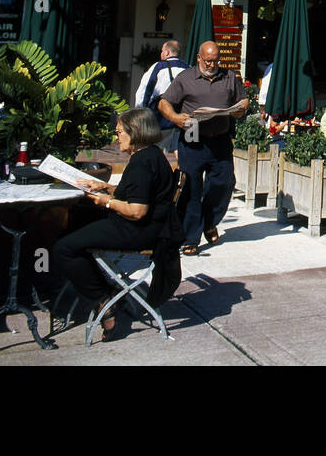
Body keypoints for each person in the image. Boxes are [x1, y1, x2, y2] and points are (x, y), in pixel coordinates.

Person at [54, 108, 177, 340]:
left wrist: (107, 202)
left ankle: (103, 300)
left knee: (63, 248)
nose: (116, 136)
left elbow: (137, 210)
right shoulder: (152, 155)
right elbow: (138, 193)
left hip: (137, 230)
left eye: (120, 131)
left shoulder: (141, 162)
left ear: (136, 132)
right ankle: (100, 288)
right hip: (152, 228)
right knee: (76, 220)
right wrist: (105, 188)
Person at [159, 40, 248, 255]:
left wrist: (240, 110)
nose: (211, 65)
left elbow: (243, 101)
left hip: (220, 137)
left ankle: (209, 221)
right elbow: (164, 103)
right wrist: (175, 118)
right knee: (191, 188)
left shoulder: (229, 77)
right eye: (207, 61)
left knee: (224, 183)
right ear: (199, 58)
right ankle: (191, 237)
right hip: (192, 134)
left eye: (215, 61)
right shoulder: (185, 78)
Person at [134, 39, 189, 154]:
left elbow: (144, 92)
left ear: (167, 53)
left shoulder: (158, 67)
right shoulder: (189, 68)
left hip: (161, 118)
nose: (161, 53)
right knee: (181, 151)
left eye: (162, 51)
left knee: (156, 151)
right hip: (183, 118)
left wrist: (141, 113)